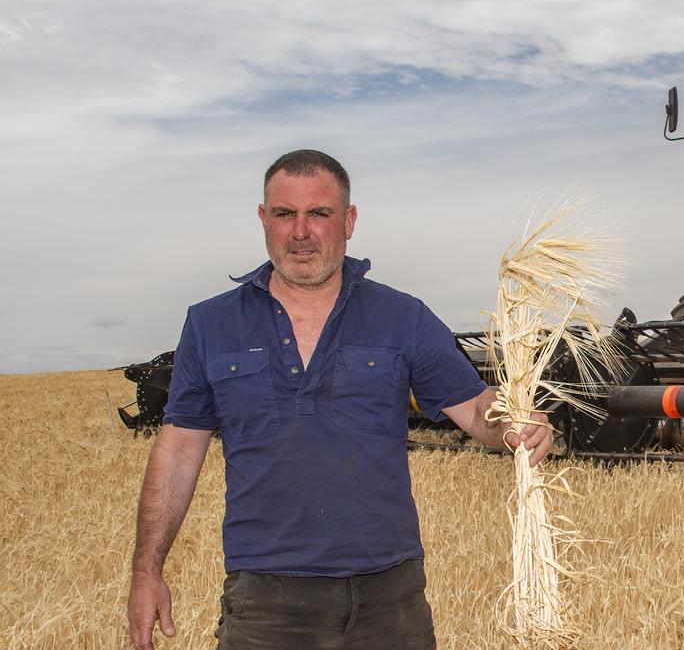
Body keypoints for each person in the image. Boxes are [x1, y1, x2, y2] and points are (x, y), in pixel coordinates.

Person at [126, 149, 550, 649]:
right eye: (285, 214)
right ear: (264, 220)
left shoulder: (402, 317)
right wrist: (146, 571)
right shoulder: (210, 324)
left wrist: (515, 424)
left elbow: (476, 410)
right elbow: (178, 449)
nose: (300, 231)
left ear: (348, 221)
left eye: (319, 214)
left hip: (388, 598)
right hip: (264, 599)